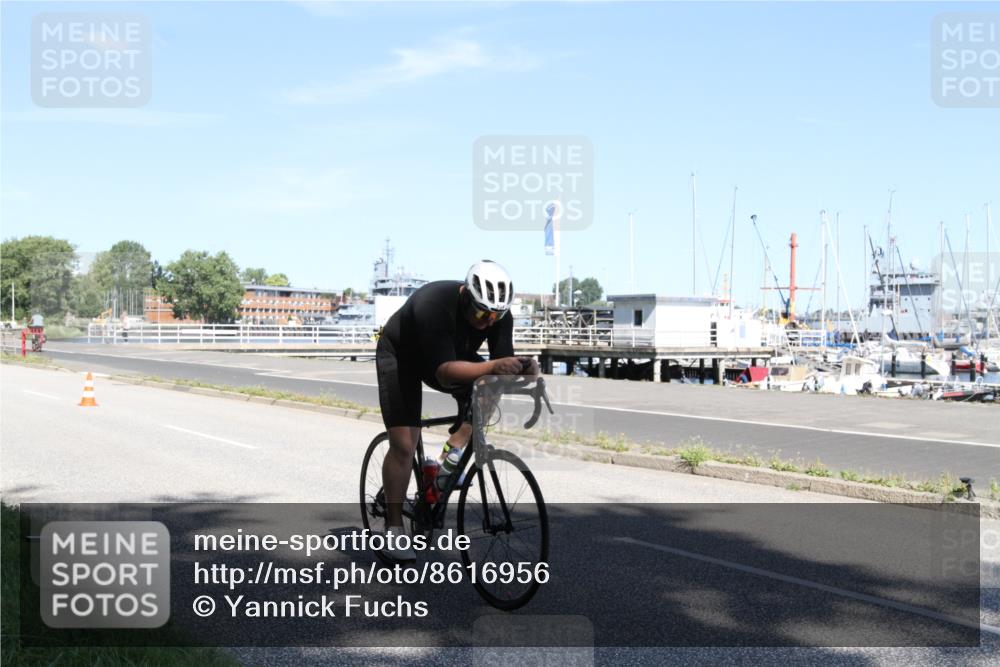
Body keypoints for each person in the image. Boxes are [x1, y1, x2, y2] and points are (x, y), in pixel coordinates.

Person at [375, 260, 538, 561]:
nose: (488, 322)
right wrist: (491, 366)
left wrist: (523, 369)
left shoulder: (497, 316)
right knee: (403, 445)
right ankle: (394, 527)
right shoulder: (433, 304)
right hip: (403, 357)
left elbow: (499, 367)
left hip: (450, 352)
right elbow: (445, 373)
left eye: (496, 315)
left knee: (492, 385)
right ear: (465, 294)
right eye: (481, 313)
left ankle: (451, 453)